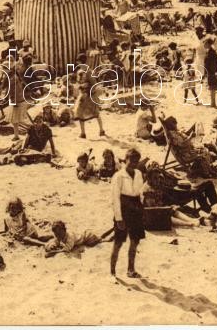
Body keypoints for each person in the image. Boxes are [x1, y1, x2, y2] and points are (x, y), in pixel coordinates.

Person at [110, 148, 145, 278]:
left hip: (136, 208)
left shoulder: (139, 174)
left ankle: (131, 269)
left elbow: (140, 192)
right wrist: (119, 218)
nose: (134, 164)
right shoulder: (118, 176)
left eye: (136, 161)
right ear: (126, 160)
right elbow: (115, 198)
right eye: (132, 161)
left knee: (135, 241)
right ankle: (112, 271)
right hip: (124, 209)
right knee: (118, 242)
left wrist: (141, 206)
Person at [73, 69, 105, 139]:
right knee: (80, 113)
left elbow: (93, 88)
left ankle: (101, 130)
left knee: (96, 113)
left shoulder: (90, 78)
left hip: (91, 98)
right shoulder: (80, 77)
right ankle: (83, 133)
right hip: (83, 98)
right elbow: (78, 87)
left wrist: (87, 91)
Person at [204, 37, 217, 108]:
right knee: (212, 87)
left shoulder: (211, 52)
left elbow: (213, 62)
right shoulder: (212, 51)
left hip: (211, 71)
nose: (204, 44)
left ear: (208, 44)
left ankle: (213, 103)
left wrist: (212, 71)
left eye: (205, 43)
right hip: (212, 71)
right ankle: (212, 103)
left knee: (212, 87)